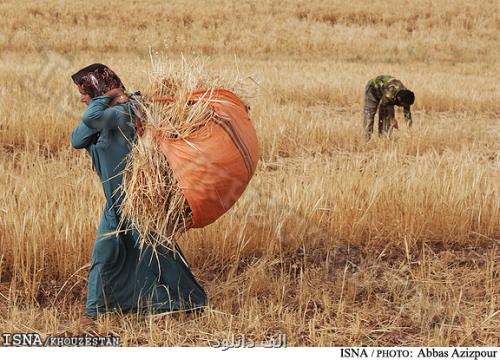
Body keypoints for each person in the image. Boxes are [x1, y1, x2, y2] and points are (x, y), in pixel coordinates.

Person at [70, 64, 208, 325]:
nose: (82, 98)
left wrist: (109, 97)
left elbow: (89, 121)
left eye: (86, 91)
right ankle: (94, 310)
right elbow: (76, 139)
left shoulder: (123, 112)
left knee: (156, 251)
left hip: (134, 199)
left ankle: (192, 300)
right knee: (105, 251)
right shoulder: (107, 113)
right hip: (115, 202)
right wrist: (109, 98)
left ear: (98, 89)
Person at [363, 75, 415, 140]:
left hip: (386, 92)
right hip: (373, 89)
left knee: (387, 119)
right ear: (399, 99)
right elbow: (382, 107)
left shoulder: (406, 97)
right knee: (369, 114)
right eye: (402, 105)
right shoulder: (390, 94)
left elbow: (407, 114)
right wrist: (392, 119)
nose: (402, 107)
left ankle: (383, 139)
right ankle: (366, 139)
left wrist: (410, 129)